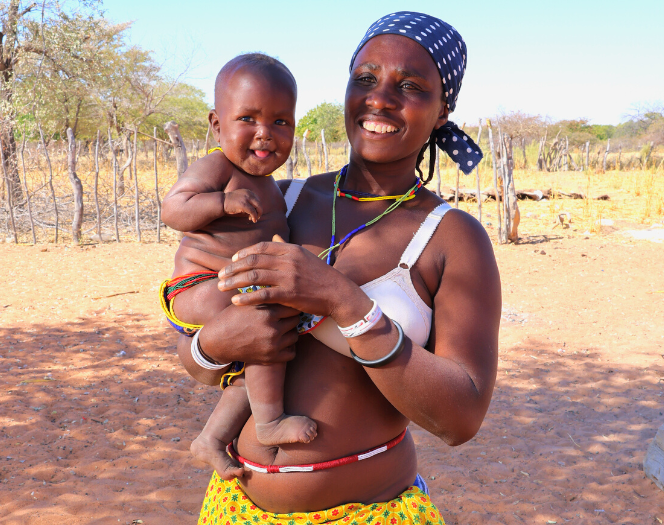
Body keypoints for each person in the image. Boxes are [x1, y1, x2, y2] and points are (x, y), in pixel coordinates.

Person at [179, 11, 501, 524]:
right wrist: (214, 343)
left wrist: (343, 301)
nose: (380, 98)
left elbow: (461, 418)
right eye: (366, 79)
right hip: (233, 508)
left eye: (411, 86)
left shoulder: (451, 236)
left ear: (443, 111)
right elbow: (198, 362)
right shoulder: (281, 200)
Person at [160, 53, 318, 481]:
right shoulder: (217, 167)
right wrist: (221, 203)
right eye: (247, 118)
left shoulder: (271, 186)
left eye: (280, 123)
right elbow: (173, 209)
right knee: (266, 317)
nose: (264, 134)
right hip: (199, 285)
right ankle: (268, 423)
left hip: (231, 289)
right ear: (216, 125)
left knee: (262, 345)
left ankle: (211, 437)